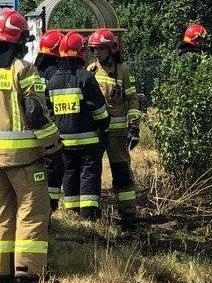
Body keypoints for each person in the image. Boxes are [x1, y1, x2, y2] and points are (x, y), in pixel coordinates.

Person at [0, 9, 60, 283]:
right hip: (25, 159)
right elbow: (34, 112)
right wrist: (53, 144)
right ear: (17, 41)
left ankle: (1, 273)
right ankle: (27, 274)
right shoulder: (24, 70)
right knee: (32, 211)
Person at [46, 31, 109, 220]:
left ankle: (73, 211)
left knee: (70, 172)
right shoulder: (86, 78)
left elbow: (49, 112)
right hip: (88, 140)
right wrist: (104, 129)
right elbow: (99, 111)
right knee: (89, 172)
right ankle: (89, 214)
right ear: (81, 53)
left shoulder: (53, 81)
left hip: (64, 142)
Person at [87, 28, 142, 230]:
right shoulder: (91, 70)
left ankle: (128, 215)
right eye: (94, 49)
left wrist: (134, 127)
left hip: (117, 134)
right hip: (95, 132)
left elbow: (133, 99)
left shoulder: (123, 71)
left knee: (121, 172)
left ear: (111, 49)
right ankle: (91, 214)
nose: (97, 53)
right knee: (92, 171)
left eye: (100, 49)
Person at [35, 30, 65, 211]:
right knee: (55, 165)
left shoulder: (34, 69)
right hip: (49, 126)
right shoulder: (55, 73)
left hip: (33, 128)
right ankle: (51, 204)